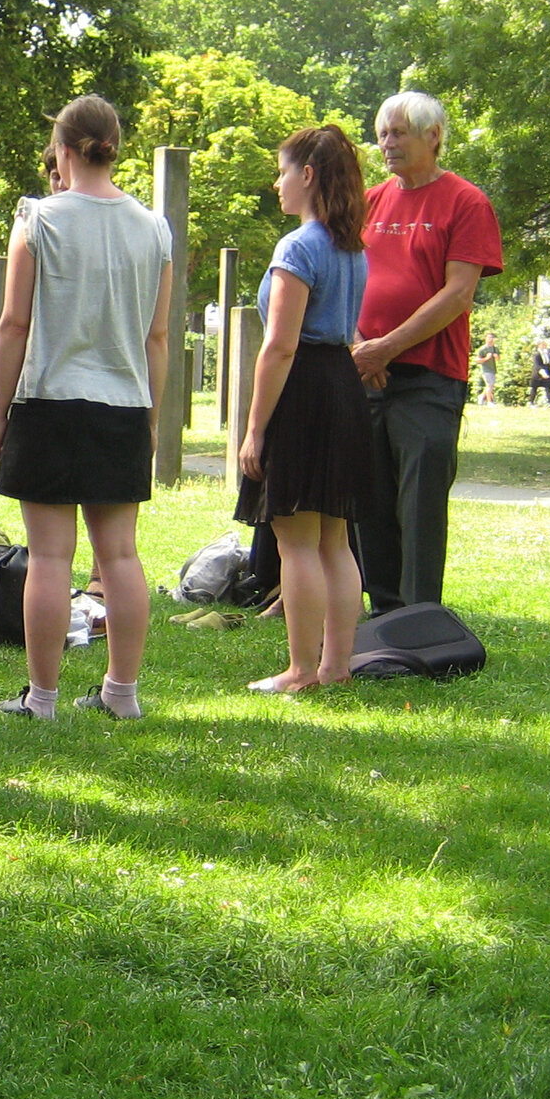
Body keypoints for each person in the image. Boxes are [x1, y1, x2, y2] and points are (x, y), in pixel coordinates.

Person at [0, 95, 174, 722]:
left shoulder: (38, 219)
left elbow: (13, 324)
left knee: (50, 557)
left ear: (62, 149)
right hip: (123, 403)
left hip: (49, 402)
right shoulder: (154, 227)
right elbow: (158, 338)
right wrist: (149, 416)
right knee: (120, 555)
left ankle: (41, 699)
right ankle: (122, 693)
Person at [352, 91, 503, 611]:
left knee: (419, 505)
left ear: (432, 136)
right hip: (364, 376)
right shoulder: (367, 202)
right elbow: (342, 279)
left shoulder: (466, 202)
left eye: (397, 133)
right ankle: (383, 613)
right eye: (381, 134)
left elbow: (458, 293)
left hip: (428, 378)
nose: (386, 144)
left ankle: (419, 619)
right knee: (366, 500)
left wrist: (386, 348)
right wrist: (358, 347)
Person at [236, 126, 374, 694]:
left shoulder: (298, 247)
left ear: (308, 176)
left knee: (296, 541)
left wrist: (253, 429)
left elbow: (280, 345)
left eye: (283, 170)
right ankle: (336, 666)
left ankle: (300, 670)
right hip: (342, 385)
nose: (277, 182)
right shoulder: (352, 246)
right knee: (334, 540)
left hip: (303, 390)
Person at [529, 339, 550, 408]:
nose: (544, 346)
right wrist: (542, 372)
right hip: (538, 373)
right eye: (543, 344)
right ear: (539, 345)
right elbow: (537, 365)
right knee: (534, 388)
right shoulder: (537, 354)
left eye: (545, 344)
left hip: (547, 371)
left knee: (548, 388)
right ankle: (531, 402)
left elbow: (548, 363)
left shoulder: (547, 353)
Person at [475, 332, 500, 405]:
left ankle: (481, 397)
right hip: (485, 370)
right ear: (485, 339)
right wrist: (486, 358)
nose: (491, 339)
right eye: (489, 337)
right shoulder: (483, 349)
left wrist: (496, 357)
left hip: (493, 370)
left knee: (491, 385)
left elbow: (498, 359)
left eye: (492, 338)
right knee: (489, 385)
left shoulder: (495, 348)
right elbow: (477, 360)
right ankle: (489, 402)